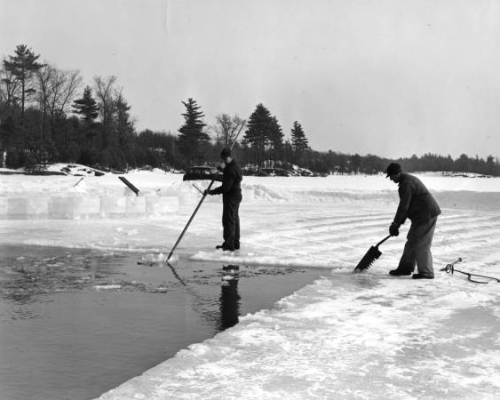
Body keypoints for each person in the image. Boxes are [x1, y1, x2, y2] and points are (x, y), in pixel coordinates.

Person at [386, 162, 441, 279]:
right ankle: (405, 268)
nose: (390, 179)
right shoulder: (406, 181)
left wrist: (396, 224)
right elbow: (407, 206)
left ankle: (427, 272)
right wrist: (397, 224)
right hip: (420, 215)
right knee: (412, 240)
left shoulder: (406, 183)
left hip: (426, 215)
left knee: (421, 243)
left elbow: (404, 206)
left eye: (391, 176)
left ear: (398, 173)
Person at [204, 148, 242, 252]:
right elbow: (228, 175)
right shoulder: (234, 165)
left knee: (228, 220)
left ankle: (229, 245)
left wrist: (211, 191)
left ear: (229, 157)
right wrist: (222, 169)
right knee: (234, 219)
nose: (224, 160)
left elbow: (226, 187)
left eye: (225, 159)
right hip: (235, 196)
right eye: (223, 159)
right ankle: (235, 243)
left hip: (231, 197)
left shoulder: (231, 169)